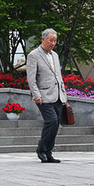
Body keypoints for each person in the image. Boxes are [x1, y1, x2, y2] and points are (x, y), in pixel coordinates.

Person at [26, 28, 66, 163]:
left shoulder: (54, 55)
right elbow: (31, 78)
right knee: (51, 121)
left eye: (55, 41)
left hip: (58, 95)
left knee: (56, 124)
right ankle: (41, 149)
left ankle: (48, 152)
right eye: (51, 40)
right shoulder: (33, 55)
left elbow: (58, 76)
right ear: (43, 39)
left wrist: (64, 96)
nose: (53, 43)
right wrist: (36, 95)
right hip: (43, 95)